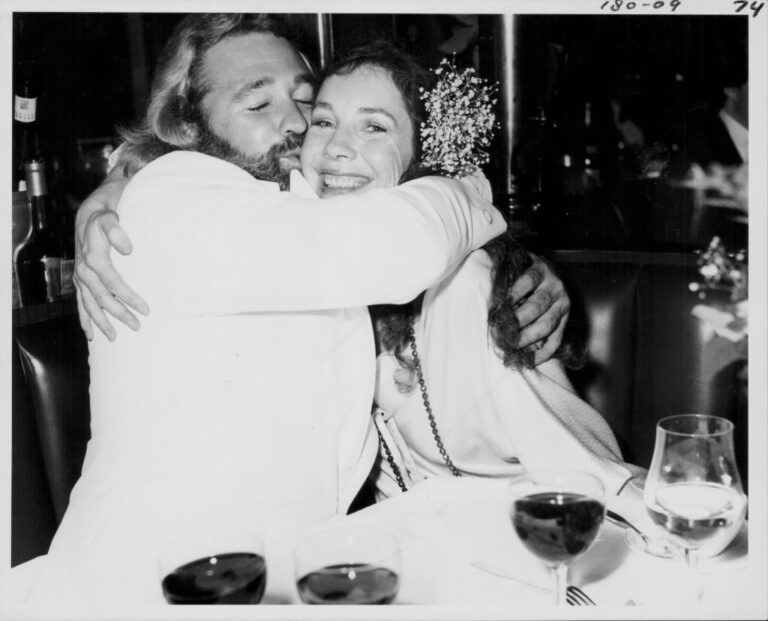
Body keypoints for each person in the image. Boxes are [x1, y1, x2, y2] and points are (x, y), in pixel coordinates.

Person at [18, 14, 565, 606]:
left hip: (279, 579)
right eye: (258, 105)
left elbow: (374, 211)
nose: (295, 123)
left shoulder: (286, 205)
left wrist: (515, 261)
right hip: (146, 589)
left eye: (307, 102)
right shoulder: (169, 194)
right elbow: (403, 245)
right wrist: (471, 189)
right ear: (184, 120)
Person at [295, 42, 646, 500]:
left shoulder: (464, 288)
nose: (337, 147)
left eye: (374, 127)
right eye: (323, 122)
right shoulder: (306, 265)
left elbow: (592, 481)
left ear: (424, 157)